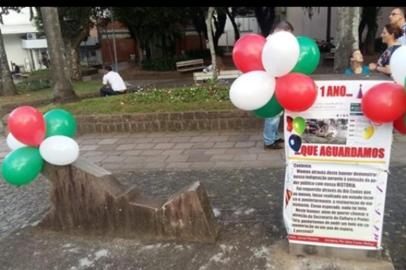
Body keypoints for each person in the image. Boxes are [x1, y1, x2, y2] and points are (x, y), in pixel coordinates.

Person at [263, 20, 294, 150]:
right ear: (281, 31)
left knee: (277, 112)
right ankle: (269, 141)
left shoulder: (272, 42)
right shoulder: (271, 43)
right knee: (272, 113)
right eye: (288, 33)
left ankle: (274, 136)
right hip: (271, 81)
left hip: (278, 80)